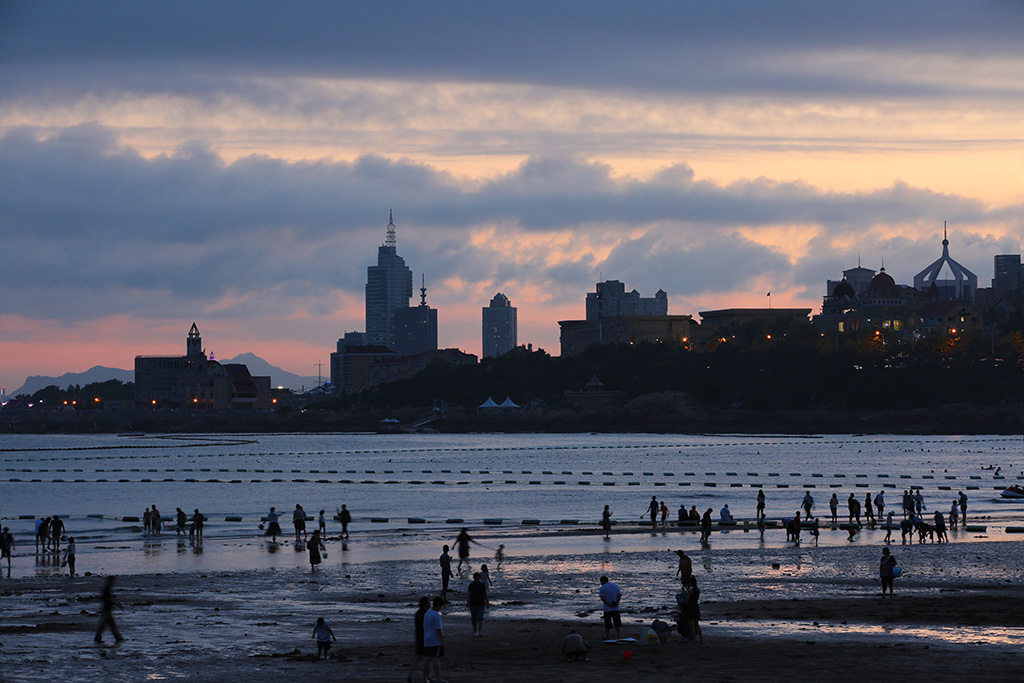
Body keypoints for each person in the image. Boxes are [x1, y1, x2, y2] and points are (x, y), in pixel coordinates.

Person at [422, 597, 445, 683]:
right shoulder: (436, 615)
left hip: (427, 639)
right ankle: (438, 678)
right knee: (436, 660)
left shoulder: (427, 613)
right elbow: (438, 629)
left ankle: (425, 678)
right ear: (439, 605)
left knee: (427, 660)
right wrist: (442, 641)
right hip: (435, 640)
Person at [407, 597, 430, 682]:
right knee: (427, 658)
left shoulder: (418, 613)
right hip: (425, 638)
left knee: (418, 657)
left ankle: (410, 675)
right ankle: (426, 678)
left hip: (418, 637)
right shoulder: (426, 614)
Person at [94, 576, 123, 643]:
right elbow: (108, 599)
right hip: (107, 609)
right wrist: (117, 604)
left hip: (106, 609)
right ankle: (118, 637)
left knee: (104, 625)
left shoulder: (106, 589)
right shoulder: (107, 589)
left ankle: (97, 637)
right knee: (111, 624)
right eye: (113, 581)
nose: (114, 583)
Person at [677, 575, 703, 643]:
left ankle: (693, 639)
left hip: (690, 608)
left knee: (691, 625)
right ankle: (701, 639)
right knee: (696, 624)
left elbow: (687, 599)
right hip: (696, 607)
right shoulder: (698, 590)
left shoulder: (691, 591)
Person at [599, 575, 622, 640]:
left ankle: (607, 636)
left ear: (602, 581)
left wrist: (608, 604)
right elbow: (619, 595)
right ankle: (618, 636)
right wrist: (617, 602)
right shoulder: (615, 586)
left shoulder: (602, 588)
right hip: (616, 607)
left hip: (607, 608)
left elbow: (602, 598)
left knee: (607, 624)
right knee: (617, 623)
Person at [468, 572, 489, 636]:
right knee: (474, 618)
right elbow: (469, 594)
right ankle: (474, 631)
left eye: (478, 577)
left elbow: (484, 594)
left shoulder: (482, 585)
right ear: (474, 578)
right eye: (476, 577)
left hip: (481, 603)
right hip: (473, 603)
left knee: (480, 618)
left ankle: (479, 631)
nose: (477, 579)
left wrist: (487, 602)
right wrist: (467, 602)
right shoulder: (471, 585)